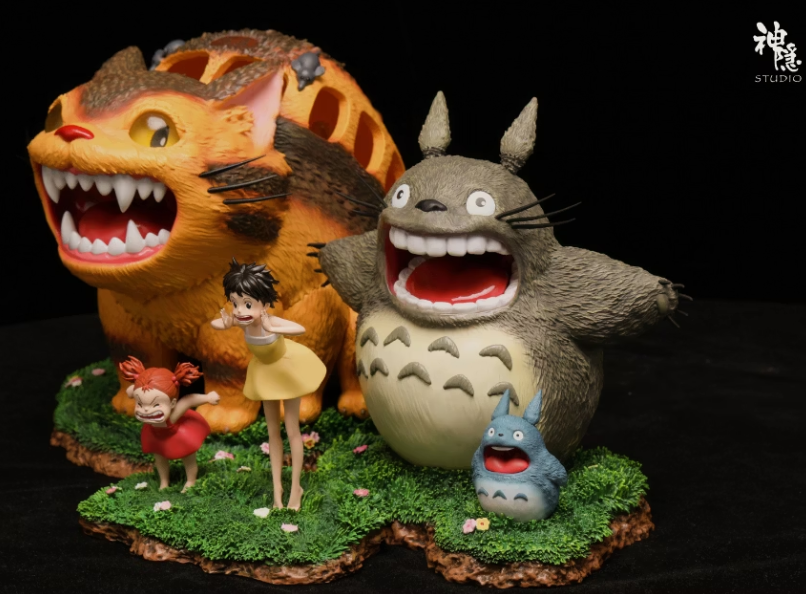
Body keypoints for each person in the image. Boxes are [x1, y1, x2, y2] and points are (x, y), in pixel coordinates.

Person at [211, 259, 326, 510]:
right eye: (235, 303)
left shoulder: (270, 321)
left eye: (247, 304)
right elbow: (216, 324)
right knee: (273, 431)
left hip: (287, 370)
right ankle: (277, 490)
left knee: (292, 429)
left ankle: (296, 487)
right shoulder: (241, 321)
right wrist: (229, 321)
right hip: (265, 374)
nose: (240, 310)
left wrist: (272, 325)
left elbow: (299, 328)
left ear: (263, 304)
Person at [119, 356, 220, 492]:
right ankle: (164, 481)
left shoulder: (172, 416)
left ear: (172, 403)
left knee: (188, 458)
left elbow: (188, 401)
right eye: (140, 404)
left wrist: (207, 398)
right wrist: (134, 391)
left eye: (156, 404)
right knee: (160, 459)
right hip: (155, 437)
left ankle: (191, 480)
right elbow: (132, 391)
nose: (146, 410)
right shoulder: (145, 403)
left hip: (178, 436)